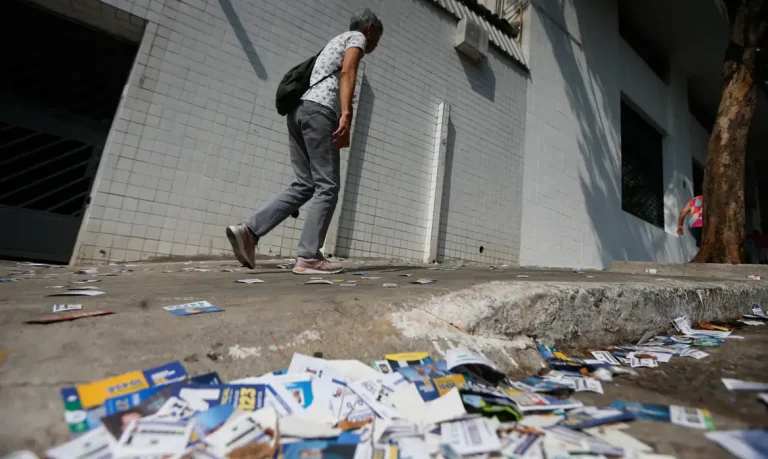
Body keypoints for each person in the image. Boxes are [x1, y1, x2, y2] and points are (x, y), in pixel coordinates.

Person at [226, 9, 383, 275]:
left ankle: (249, 231)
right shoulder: (355, 38)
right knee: (328, 186)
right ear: (369, 28)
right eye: (377, 38)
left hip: (299, 112)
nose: (376, 44)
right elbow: (348, 73)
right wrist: (346, 114)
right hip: (320, 113)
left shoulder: (333, 44)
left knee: (305, 184)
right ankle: (309, 256)